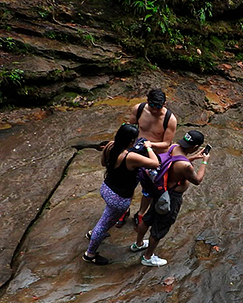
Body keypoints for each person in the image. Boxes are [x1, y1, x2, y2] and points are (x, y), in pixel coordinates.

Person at [83, 124, 160, 265]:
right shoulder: (129, 157)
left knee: (107, 215)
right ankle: (90, 254)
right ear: (131, 141)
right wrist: (148, 147)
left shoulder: (110, 146)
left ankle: (93, 233)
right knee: (105, 223)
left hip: (106, 188)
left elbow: (102, 163)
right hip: (119, 198)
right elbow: (154, 163)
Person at [134, 130, 210, 267]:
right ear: (196, 146)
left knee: (148, 219)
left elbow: (174, 162)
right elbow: (197, 180)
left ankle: (138, 244)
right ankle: (148, 257)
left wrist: (193, 157)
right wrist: (204, 162)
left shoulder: (173, 147)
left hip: (160, 191)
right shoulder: (185, 166)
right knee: (160, 227)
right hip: (171, 197)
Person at [116, 88, 178, 228]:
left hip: (153, 154)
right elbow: (131, 127)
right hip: (135, 150)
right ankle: (124, 210)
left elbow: (166, 144)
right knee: (127, 182)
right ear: (147, 101)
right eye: (152, 106)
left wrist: (149, 145)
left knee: (149, 188)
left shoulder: (170, 119)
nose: (155, 110)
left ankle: (141, 212)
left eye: (159, 107)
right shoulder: (139, 109)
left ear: (165, 103)